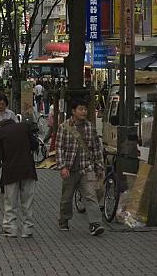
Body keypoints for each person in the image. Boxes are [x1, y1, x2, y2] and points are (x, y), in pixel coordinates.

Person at [56, 97, 104, 236]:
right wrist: (62, 167)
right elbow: (59, 148)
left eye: (85, 109)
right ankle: (63, 220)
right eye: (80, 109)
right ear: (73, 111)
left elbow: (96, 148)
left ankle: (95, 224)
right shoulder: (64, 127)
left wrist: (99, 167)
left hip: (86, 167)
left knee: (90, 195)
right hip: (70, 169)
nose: (84, 112)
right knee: (67, 198)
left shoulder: (90, 127)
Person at [0, 113, 37, 237]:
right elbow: (34, 145)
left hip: (11, 171)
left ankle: (10, 228)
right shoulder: (24, 127)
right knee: (27, 201)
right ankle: (27, 229)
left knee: (10, 202)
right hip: (27, 169)